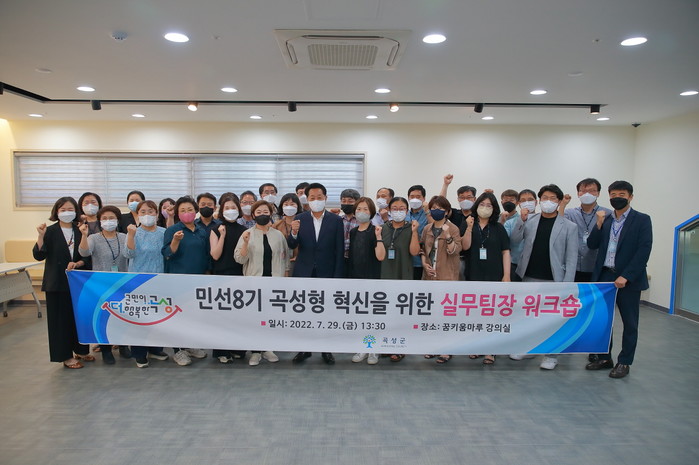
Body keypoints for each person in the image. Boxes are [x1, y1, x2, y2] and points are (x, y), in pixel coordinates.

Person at [585, 180, 652, 379]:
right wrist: (598, 225)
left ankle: (625, 362)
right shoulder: (605, 219)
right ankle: (605, 358)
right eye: (613, 195)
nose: (617, 198)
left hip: (628, 280)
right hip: (605, 276)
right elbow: (592, 244)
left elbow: (644, 250)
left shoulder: (642, 220)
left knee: (630, 323)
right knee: (603, 321)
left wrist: (627, 275)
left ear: (630, 197)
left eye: (621, 194)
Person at [510, 184, 578, 370]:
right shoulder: (530, 220)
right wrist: (521, 220)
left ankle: (551, 355)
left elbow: (571, 258)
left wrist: (567, 284)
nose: (549, 201)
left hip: (554, 279)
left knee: (552, 320)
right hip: (529, 276)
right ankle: (528, 349)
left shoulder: (569, 226)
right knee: (528, 316)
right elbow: (515, 239)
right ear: (539, 201)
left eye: (553, 198)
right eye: (545, 198)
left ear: (559, 201)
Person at [287, 182, 344, 365]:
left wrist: (337, 276)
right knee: (304, 312)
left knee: (326, 312)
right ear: (307, 199)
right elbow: (292, 245)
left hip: (327, 272)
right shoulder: (300, 218)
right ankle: (304, 349)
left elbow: (339, 250)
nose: (316, 200)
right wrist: (293, 232)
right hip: (304, 272)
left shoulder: (336, 221)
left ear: (325, 198)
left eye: (319, 197)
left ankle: (326, 350)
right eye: (312, 198)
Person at [33, 197, 92, 369]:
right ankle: (65, 356)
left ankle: (81, 350)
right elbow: (38, 255)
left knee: (79, 318)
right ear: (56, 212)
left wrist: (77, 263)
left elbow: (87, 256)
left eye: (70, 209)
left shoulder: (80, 229)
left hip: (78, 281)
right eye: (63, 209)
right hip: (56, 282)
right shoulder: (50, 231)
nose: (67, 212)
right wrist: (40, 236)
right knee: (60, 321)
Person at [234, 200, 289, 366]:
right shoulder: (247, 234)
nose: (262, 215)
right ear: (253, 215)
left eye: (266, 212)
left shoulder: (278, 235)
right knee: (255, 318)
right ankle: (255, 351)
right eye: (258, 212)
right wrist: (245, 242)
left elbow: (285, 258)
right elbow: (239, 259)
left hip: (274, 283)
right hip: (254, 283)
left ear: (271, 214)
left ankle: (268, 348)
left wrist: (285, 279)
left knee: (271, 317)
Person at [78, 205, 131, 364]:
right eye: (105, 218)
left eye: (112, 218)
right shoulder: (94, 238)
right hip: (101, 285)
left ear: (118, 220)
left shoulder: (124, 237)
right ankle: (106, 349)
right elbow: (84, 252)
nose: (108, 221)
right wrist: (84, 235)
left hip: (122, 282)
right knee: (104, 318)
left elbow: (130, 254)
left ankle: (123, 346)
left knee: (122, 315)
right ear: (100, 221)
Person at [462, 192, 510, 365]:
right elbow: (464, 246)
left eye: (489, 205)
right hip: (474, 273)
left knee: (493, 314)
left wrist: (506, 275)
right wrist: (468, 227)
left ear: (494, 208)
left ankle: (491, 349)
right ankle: (476, 346)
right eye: (482, 204)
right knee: (475, 313)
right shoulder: (468, 224)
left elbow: (506, 252)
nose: (485, 208)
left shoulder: (498, 228)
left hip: (494, 274)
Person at [162, 196, 210, 366]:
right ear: (177, 213)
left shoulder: (201, 231)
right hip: (177, 280)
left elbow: (206, 255)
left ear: (196, 211)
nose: (187, 213)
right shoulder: (172, 230)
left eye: (190, 209)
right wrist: (175, 240)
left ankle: (190, 345)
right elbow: (167, 253)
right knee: (178, 316)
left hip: (197, 279)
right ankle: (178, 350)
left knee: (193, 315)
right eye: (182, 210)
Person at [122, 200, 170, 368]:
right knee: (139, 318)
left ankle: (155, 349)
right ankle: (139, 353)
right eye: (143, 212)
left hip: (159, 279)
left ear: (156, 214)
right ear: (137, 214)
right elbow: (128, 254)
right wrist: (130, 235)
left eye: (150, 211)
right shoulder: (134, 232)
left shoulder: (164, 232)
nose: (147, 215)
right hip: (138, 281)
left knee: (157, 316)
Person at [420, 196, 462, 364]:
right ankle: (433, 346)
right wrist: (424, 264)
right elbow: (423, 250)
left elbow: (455, 250)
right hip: (429, 277)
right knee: (431, 315)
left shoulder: (453, 228)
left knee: (446, 315)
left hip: (447, 277)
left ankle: (446, 349)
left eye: (440, 208)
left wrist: (448, 234)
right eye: (433, 208)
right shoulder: (427, 228)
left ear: (447, 211)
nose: (436, 211)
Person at [379, 196, 420, 362]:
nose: (398, 211)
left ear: (407, 211)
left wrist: (415, 232)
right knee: (386, 312)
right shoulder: (382, 228)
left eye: (401, 208)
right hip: (385, 274)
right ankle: (386, 345)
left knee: (401, 313)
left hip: (404, 273)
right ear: (389, 210)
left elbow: (414, 252)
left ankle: (400, 347)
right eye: (394, 208)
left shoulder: (411, 227)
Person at [209, 195, 248, 363]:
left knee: (238, 315)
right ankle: (221, 351)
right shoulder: (215, 229)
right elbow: (215, 255)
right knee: (221, 316)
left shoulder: (244, 230)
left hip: (239, 274)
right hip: (221, 275)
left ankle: (237, 348)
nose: (230, 211)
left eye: (233, 207)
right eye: (227, 208)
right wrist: (222, 236)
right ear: (221, 210)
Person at [348, 198, 385, 365]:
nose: (361, 212)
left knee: (373, 318)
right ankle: (362, 347)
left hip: (372, 279)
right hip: (356, 280)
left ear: (371, 212)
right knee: (360, 317)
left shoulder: (375, 230)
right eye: (358, 209)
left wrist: (378, 237)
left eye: (365, 209)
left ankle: (373, 349)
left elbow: (381, 256)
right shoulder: (353, 232)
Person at [559, 178, 613, 282]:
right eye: (583, 191)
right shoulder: (570, 213)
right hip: (574, 267)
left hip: (597, 267)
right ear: (578, 194)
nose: (587, 194)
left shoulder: (608, 214)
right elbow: (559, 224)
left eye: (592, 191)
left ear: (598, 193)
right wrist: (563, 205)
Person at [440, 174, 477, 280]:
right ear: (458, 199)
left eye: (469, 197)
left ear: (475, 199)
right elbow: (441, 203)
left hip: (472, 258)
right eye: (462, 197)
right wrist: (445, 185)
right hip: (454, 256)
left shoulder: (478, 216)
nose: (465, 200)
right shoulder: (455, 214)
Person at [503, 189, 537, 282]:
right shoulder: (510, 223)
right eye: (523, 200)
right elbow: (511, 241)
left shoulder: (541, 221)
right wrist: (522, 220)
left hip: (535, 265)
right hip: (515, 264)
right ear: (519, 203)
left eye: (530, 200)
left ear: (536, 202)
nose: (527, 203)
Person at [273, 193, 302, 275]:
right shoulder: (276, 225)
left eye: (292, 204)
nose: (289, 207)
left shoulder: (304, 223)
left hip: (300, 261)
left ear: (298, 206)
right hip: (281, 262)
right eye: (286, 204)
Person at [407, 185, 429, 280]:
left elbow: (434, 227)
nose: (415, 199)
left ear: (423, 198)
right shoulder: (404, 215)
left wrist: (428, 211)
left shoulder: (428, 214)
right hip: (406, 260)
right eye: (412, 197)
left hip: (422, 260)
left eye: (418, 196)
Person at [339, 188, 360, 265]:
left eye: (350, 201)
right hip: (340, 258)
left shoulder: (362, 221)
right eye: (344, 201)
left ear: (357, 203)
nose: (346, 204)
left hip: (356, 259)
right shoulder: (338, 220)